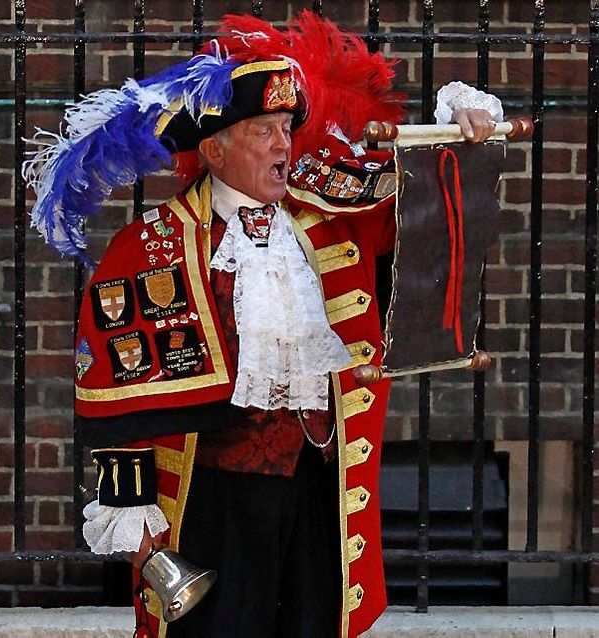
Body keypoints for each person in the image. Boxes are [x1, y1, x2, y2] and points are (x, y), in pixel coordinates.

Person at [25, 12, 502, 638]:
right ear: (216, 149)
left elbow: (428, 219)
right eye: (264, 130)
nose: (284, 144)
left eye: (287, 128)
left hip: (318, 488)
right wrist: (131, 511)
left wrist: (459, 133)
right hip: (212, 495)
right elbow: (119, 392)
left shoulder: (334, 219)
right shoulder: (150, 246)